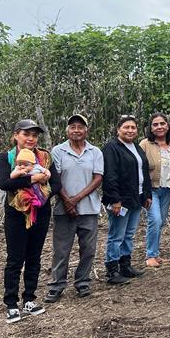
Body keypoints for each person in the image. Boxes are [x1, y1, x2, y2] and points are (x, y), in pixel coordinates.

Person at [0, 119, 61, 323]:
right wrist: (33, 180)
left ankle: (29, 299)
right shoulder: (6, 158)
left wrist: (42, 197)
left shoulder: (45, 157)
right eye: (26, 134)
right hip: (16, 214)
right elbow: (5, 183)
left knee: (34, 256)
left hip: (40, 212)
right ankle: (11, 303)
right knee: (15, 259)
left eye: (34, 135)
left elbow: (57, 184)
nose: (31, 138)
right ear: (16, 135)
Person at [45, 114, 103, 302]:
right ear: (67, 131)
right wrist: (67, 202)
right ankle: (56, 285)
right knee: (61, 250)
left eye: (80, 127)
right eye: (72, 127)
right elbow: (56, 178)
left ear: (87, 130)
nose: (76, 130)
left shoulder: (95, 152)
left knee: (89, 249)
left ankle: (83, 282)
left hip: (89, 208)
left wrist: (76, 199)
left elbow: (98, 178)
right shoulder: (58, 151)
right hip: (64, 209)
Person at [102, 115, 152, 284]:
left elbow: (144, 173)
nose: (130, 130)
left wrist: (147, 194)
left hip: (136, 198)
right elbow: (110, 176)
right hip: (120, 201)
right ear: (118, 129)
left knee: (129, 234)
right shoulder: (112, 148)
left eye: (133, 128)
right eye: (126, 127)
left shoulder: (137, 148)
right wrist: (115, 199)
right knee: (116, 235)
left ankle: (126, 265)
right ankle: (112, 270)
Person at [140, 113, 170, 267]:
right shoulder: (145, 144)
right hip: (152, 190)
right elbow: (139, 167)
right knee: (154, 220)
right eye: (155, 124)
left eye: (162, 123)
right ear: (151, 128)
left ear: (167, 126)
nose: (159, 127)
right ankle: (150, 255)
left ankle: (155, 254)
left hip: (168, 188)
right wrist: (143, 191)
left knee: (161, 221)